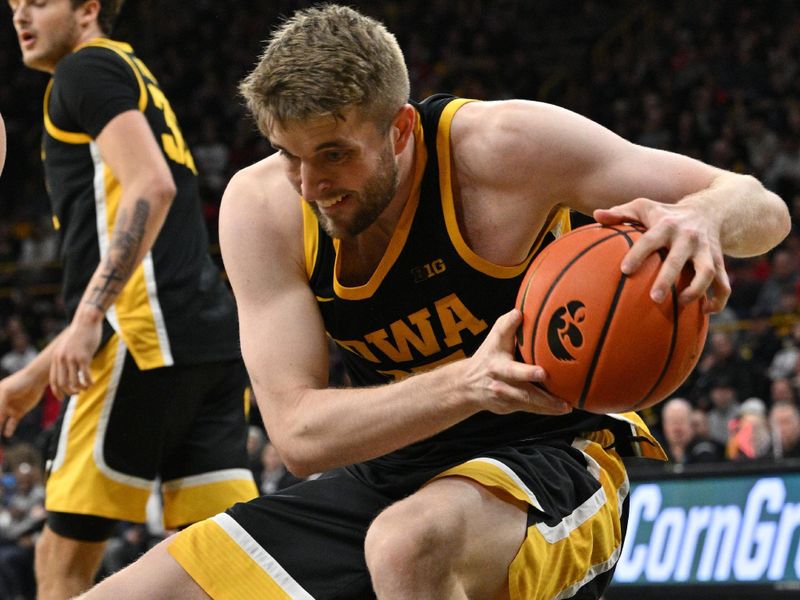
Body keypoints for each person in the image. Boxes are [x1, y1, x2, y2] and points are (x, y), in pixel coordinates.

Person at [79, 5, 791, 599]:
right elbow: (298, 437)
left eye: (334, 154)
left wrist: (702, 220)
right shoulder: (260, 206)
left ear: (400, 131)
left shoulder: (506, 149)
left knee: (405, 547)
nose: (310, 183)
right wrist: (469, 382)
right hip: (392, 462)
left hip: (555, 450)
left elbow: (759, 204)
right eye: (289, 154)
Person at [1, 1, 258, 598]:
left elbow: (152, 185)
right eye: (13, 4)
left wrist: (90, 315)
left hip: (141, 341)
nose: (20, 15)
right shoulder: (128, 72)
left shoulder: (82, 71)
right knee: (220, 568)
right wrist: (34, 376)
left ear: (88, 8)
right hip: (209, 343)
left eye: (38, 1)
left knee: (59, 567)